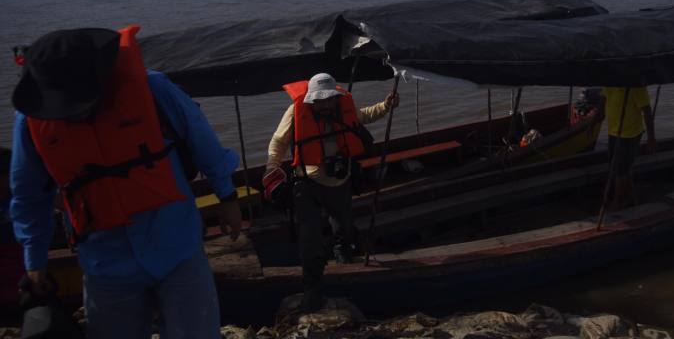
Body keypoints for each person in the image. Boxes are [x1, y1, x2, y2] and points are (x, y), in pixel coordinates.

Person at [9, 26, 241, 339]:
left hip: (176, 245)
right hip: (104, 262)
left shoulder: (153, 88)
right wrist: (35, 261)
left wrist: (227, 196)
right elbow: (28, 196)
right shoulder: (30, 122)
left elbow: (202, 139)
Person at [262, 72, 398, 311]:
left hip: (339, 181)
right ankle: (312, 286)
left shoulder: (343, 109)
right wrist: (272, 167)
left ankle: (343, 257)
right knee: (310, 236)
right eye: (320, 100)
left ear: (336, 98)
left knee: (344, 227)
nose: (326, 104)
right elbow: (278, 142)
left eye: (330, 99)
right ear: (312, 99)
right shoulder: (296, 112)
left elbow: (364, 116)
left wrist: (386, 106)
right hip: (308, 183)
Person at [601, 86, 656, 211]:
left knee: (621, 169)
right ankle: (630, 197)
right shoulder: (609, 82)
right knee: (618, 166)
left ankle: (618, 202)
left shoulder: (636, 86)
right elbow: (603, 100)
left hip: (629, 133)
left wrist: (651, 137)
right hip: (613, 131)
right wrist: (594, 121)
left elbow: (647, 111)